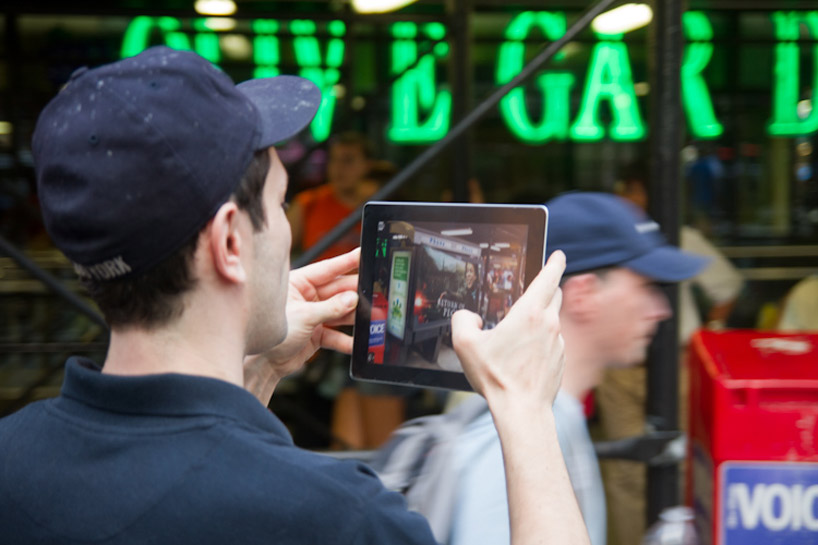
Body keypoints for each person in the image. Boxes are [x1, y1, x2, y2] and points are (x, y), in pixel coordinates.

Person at [0, 46, 588, 545]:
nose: (287, 231)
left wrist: (251, 376)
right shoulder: (334, 517)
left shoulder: (12, 461)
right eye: (281, 204)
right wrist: (525, 408)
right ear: (231, 240)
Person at [446, 192, 709, 545]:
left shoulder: (550, 416)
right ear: (583, 295)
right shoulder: (511, 438)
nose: (662, 310)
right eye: (648, 286)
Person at [601, 172, 744, 545]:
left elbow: (727, 286)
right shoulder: (612, 244)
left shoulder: (683, 237)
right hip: (619, 369)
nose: (657, 309)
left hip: (677, 365)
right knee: (625, 473)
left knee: (681, 464)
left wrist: (707, 334)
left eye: (630, 187)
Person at [287, 131, 378, 262]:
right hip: (319, 282)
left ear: (367, 165)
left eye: (348, 160)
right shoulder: (308, 203)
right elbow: (274, 250)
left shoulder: (379, 206)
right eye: (333, 159)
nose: (339, 168)